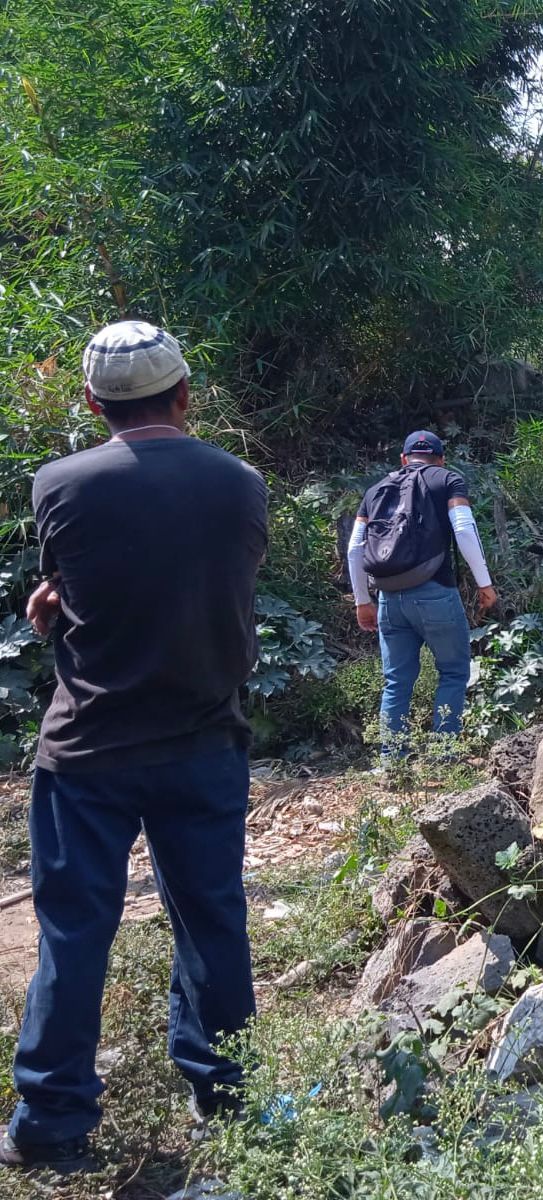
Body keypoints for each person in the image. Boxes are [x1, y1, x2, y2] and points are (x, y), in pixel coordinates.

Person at [5, 321, 267, 1172]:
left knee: (75, 933)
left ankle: (51, 1123)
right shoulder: (240, 484)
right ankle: (223, 1092)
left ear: (92, 404)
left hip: (88, 748)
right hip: (201, 739)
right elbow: (206, 583)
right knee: (212, 920)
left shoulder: (60, 484)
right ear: (185, 394)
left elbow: (86, 588)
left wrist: (52, 611)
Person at [347, 431, 497, 750]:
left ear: (403, 459)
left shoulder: (375, 490)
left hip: (388, 598)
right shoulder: (448, 480)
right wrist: (484, 583)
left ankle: (392, 763)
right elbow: (464, 531)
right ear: (440, 459)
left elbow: (354, 549)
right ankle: (443, 756)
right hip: (435, 592)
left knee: (396, 682)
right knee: (454, 673)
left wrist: (363, 601)